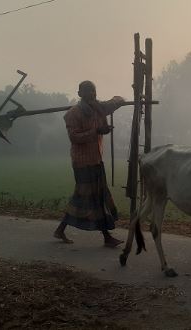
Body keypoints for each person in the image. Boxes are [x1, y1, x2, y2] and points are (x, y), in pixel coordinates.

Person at [54, 80, 125, 247]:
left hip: (96, 159)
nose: (91, 94)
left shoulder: (98, 108)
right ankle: (107, 237)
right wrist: (97, 131)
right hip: (82, 162)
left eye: (93, 91)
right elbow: (74, 137)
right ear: (79, 94)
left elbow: (114, 103)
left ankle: (60, 230)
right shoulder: (73, 114)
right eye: (87, 92)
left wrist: (119, 100)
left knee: (86, 197)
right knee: (93, 198)